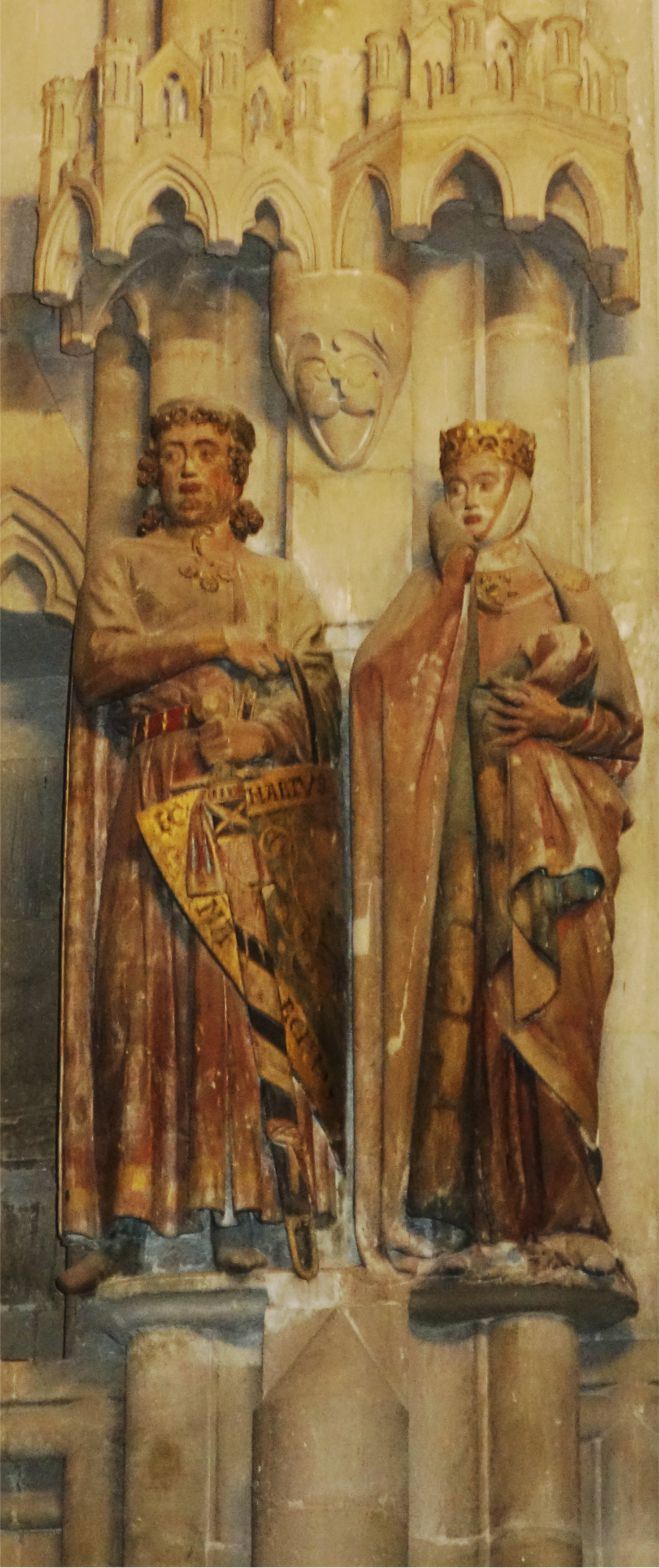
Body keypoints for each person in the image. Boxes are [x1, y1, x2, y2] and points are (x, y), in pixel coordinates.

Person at [58, 400, 345, 1292]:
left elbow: (320, 703)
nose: (187, 468)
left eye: (206, 452)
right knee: (135, 992)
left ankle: (237, 1205)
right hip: (152, 792)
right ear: (153, 468)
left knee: (232, 998)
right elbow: (97, 667)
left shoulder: (277, 584)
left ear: (236, 473)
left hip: (241, 803)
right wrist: (213, 641)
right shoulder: (123, 565)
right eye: (173, 452)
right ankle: (126, 1218)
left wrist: (258, 734)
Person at [351, 418, 642, 1275]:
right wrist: (448, 588)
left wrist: (555, 720)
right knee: (470, 1014)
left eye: (485, 484)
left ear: (520, 487)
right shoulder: (439, 592)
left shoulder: (567, 587)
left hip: (552, 845)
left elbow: (623, 731)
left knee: (550, 1012)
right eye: (456, 488)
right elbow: (375, 684)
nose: (470, 502)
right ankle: (478, 1215)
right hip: (461, 844)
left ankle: (564, 1209)